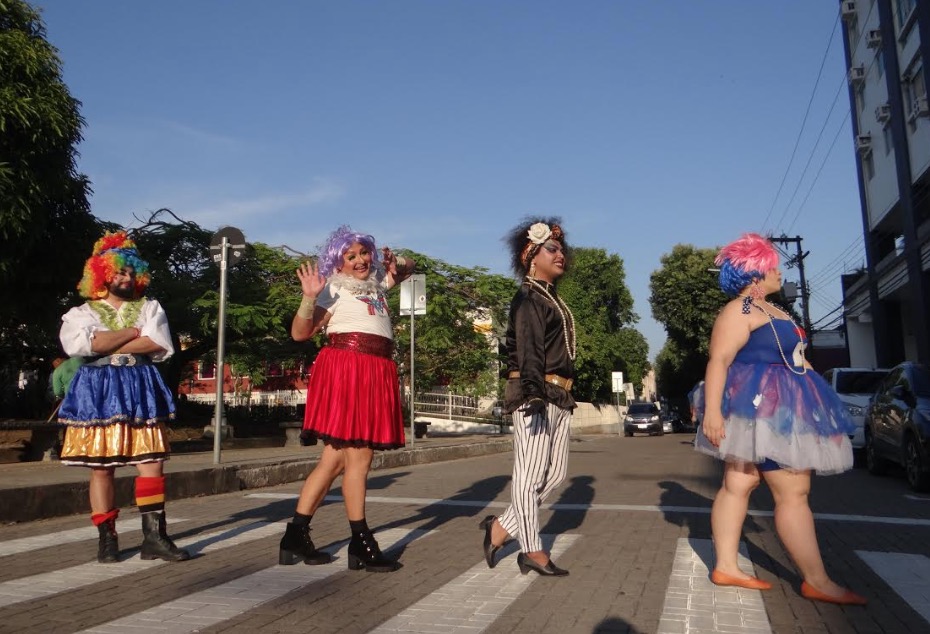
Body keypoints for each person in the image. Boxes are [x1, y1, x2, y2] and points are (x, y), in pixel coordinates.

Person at [694, 232, 865, 605]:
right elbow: (719, 360)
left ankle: (726, 566)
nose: (778, 271)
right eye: (772, 265)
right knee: (791, 491)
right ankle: (816, 580)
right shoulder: (740, 310)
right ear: (755, 272)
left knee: (740, 482)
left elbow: (793, 357)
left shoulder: (773, 310)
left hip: (773, 407)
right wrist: (714, 413)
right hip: (760, 408)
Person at [278, 226, 415, 572]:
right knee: (360, 457)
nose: (360, 260)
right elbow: (300, 333)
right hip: (349, 369)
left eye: (363, 253)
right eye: (350, 256)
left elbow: (411, 267)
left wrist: (395, 260)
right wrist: (309, 297)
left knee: (334, 461)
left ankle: (295, 535)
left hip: (374, 369)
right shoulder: (334, 288)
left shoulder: (378, 282)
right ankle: (361, 541)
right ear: (338, 261)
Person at [58, 231, 189, 564]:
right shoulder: (80, 313)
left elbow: (159, 345)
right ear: (102, 273)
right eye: (119, 271)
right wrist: (134, 333)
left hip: (140, 385)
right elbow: (80, 346)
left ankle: (155, 537)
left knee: (151, 462)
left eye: (132, 272)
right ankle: (107, 538)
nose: (126, 278)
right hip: (97, 390)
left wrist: (108, 340)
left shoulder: (151, 307)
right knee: (101, 468)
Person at [480, 218, 576, 577]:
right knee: (530, 474)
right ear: (531, 257)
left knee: (555, 476)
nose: (560, 254)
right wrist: (534, 394)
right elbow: (528, 350)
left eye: (562, 249)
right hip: (534, 393)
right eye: (552, 248)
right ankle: (532, 550)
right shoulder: (528, 296)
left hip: (559, 396)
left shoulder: (552, 298)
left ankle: (500, 528)